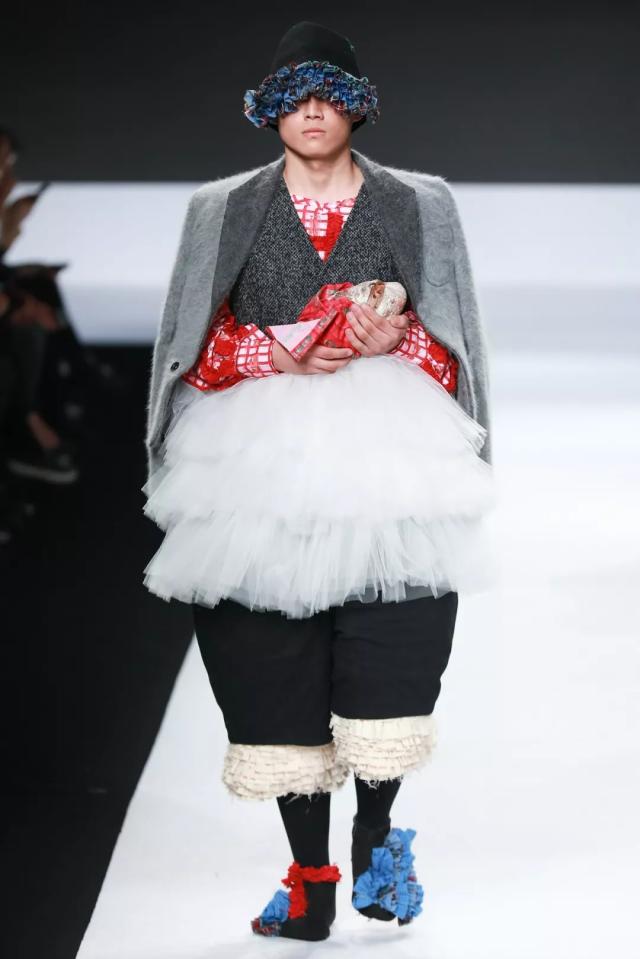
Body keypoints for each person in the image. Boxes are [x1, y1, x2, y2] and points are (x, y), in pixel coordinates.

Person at [143, 20, 497, 941]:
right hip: (255, 453)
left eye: (329, 94)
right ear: (267, 110)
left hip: (392, 446)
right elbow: (189, 345)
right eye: (292, 95)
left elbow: (457, 343)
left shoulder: (420, 202)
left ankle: (377, 833)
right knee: (268, 655)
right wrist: (277, 348)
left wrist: (400, 339)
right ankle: (310, 875)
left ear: (357, 108)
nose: (311, 110)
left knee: (398, 635)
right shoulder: (221, 208)